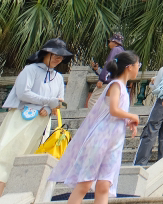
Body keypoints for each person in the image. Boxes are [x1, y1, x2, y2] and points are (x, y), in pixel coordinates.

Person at [50, 50, 141, 204]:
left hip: (114, 141)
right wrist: (132, 116)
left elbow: (115, 113)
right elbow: (113, 110)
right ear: (129, 67)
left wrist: (127, 121)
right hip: (101, 138)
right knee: (85, 183)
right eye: (138, 65)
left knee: (104, 186)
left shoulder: (123, 88)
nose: (138, 68)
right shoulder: (116, 85)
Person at [0, 38, 71, 196]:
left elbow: (59, 102)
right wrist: (47, 103)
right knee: (7, 156)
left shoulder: (58, 77)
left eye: (61, 57)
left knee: (28, 158)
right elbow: (23, 93)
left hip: (42, 124)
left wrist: (48, 107)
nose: (58, 59)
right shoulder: (30, 70)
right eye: (56, 55)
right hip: (22, 118)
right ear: (46, 53)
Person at [88, 33, 125, 108]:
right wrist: (97, 70)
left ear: (115, 42)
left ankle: (97, 116)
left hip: (107, 82)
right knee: (108, 104)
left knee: (93, 102)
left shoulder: (115, 49)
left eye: (110, 41)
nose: (109, 44)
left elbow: (110, 64)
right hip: (116, 83)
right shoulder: (122, 52)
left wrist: (102, 79)